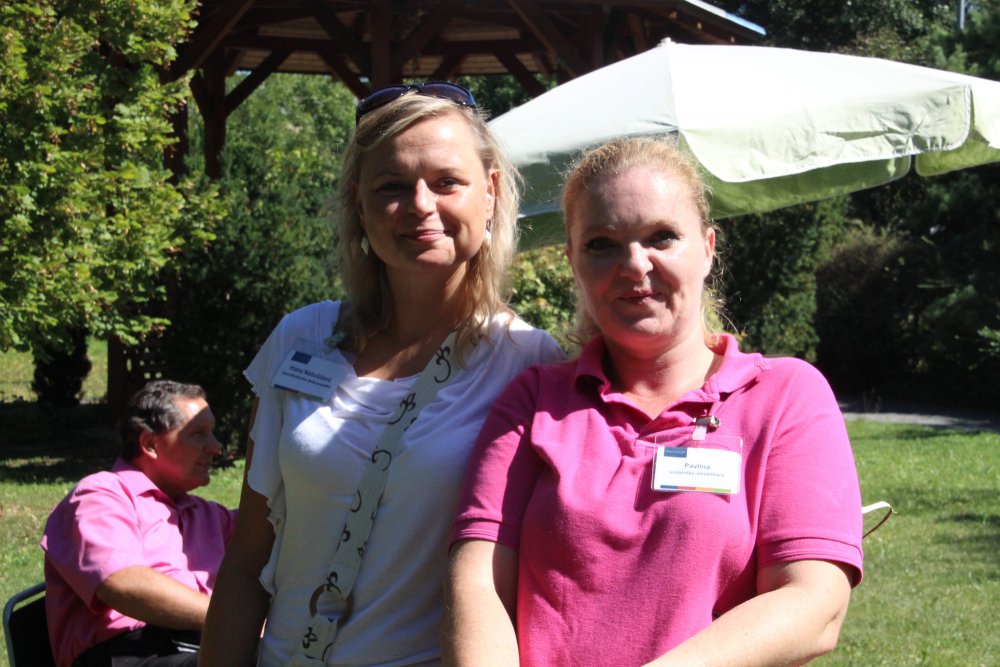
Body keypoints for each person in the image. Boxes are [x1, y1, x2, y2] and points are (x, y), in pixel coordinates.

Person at [444, 136, 864, 667]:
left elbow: (813, 602)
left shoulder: (784, 396)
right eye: (602, 244)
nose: (633, 264)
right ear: (573, 260)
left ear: (708, 247)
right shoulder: (534, 401)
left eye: (661, 237)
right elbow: (479, 582)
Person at [198, 82, 563, 667]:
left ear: (491, 192)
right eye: (392, 186)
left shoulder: (532, 364)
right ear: (359, 204)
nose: (420, 205)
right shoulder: (299, 338)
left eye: (447, 182)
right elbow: (247, 559)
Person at [41, 380, 236, 667]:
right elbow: (122, 583)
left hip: (195, 646)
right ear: (150, 444)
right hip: (127, 654)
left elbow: (276, 530)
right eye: (198, 434)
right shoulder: (101, 495)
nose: (216, 447)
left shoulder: (206, 514)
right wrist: (234, 620)